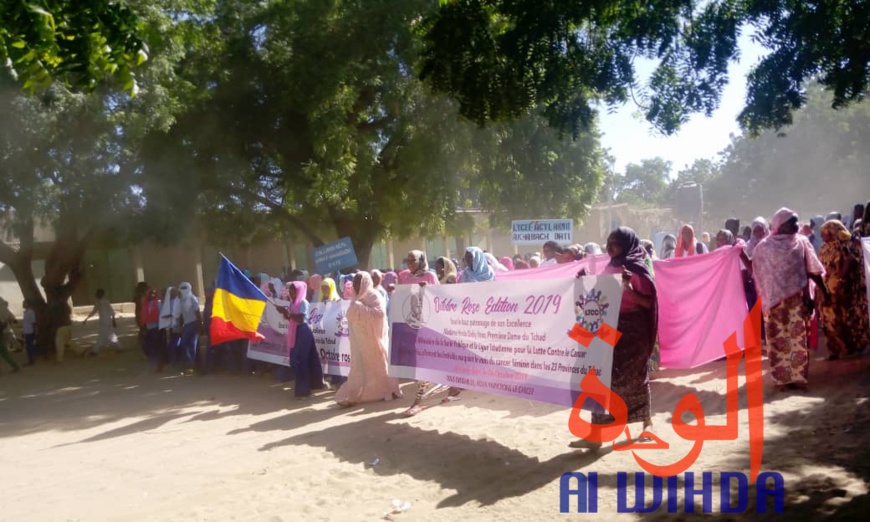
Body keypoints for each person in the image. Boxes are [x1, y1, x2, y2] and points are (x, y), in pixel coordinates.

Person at [570, 227, 657, 450]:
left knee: (636, 377)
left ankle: (647, 423)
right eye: (608, 243)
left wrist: (628, 287)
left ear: (626, 244)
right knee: (600, 377)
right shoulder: (611, 266)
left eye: (615, 243)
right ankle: (597, 434)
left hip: (633, 329)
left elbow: (648, 302)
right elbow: (602, 295)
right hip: (608, 326)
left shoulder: (637, 267)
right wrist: (586, 281)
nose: (610, 247)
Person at [751, 208, 829, 391]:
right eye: (791, 222)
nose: (796, 225)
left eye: (796, 221)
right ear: (780, 225)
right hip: (773, 302)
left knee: (797, 339)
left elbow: (812, 270)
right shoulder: (764, 247)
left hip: (797, 299)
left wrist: (822, 292)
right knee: (778, 340)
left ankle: (798, 375)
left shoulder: (802, 243)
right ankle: (782, 378)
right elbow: (757, 270)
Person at [334, 272, 402, 407]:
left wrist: (360, 307)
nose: (356, 285)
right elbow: (350, 315)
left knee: (377, 365)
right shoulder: (355, 296)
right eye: (355, 282)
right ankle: (355, 394)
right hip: (359, 339)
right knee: (359, 367)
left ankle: (386, 390)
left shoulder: (373, 295)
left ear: (365, 281)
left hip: (373, 338)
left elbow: (380, 314)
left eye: (359, 282)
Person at [818, 220, 870, 360]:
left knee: (846, 316)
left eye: (825, 232)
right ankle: (835, 349)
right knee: (829, 318)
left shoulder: (846, 245)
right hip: (827, 286)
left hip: (844, 287)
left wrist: (840, 279)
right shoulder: (824, 248)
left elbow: (853, 261)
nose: (822, 235)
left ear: (833, 231)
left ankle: (850, 348)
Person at [275, 281, 324, 398]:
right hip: (295, 331)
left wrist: (287, 313)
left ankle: (304, 391)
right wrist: (283, 312)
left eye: (294, 291)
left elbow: (301, 318)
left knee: (300, 361)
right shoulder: (292, 303)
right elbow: (290, 318)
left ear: (299, 291)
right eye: (290, 291)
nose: (291, 293)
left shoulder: (303, 302)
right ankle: (309, 385)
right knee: (295, 360)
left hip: (303, 332)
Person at [83, 289, 119, 357]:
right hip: (106, 321)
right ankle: (120, 347)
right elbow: (94, 312)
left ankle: (95, 351)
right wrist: (87, 319)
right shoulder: (101, 302)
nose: (96, 295)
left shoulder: (102, 302)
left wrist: (114, 320)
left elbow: (110, 311)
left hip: (104, 322)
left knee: (101, 337)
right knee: (111, 335)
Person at [176, 282, 202, 373]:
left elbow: (198, 313)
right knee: (187, 345)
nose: (183, 290)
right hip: (186, 325)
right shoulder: (181, 300)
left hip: (193, 324)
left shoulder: (193, 299)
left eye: (184, 288)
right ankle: (193, 364)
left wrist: (200, 326)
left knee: (190, 345)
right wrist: (180, 326)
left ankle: (191, 365)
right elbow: (181, 315)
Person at [50, 289, 78, 363]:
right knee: (68, 341)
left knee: (59, 343)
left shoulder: (54, 305)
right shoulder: (64, 303)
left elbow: (53, 316)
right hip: (67, 324)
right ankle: (81, 351)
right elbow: (69, 312)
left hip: (61, 325)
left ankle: (59, 359)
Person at [140, 288, 162, 367]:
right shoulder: (145, 303)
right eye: (150, 293)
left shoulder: (158, 303)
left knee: (155, 343)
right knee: (146, 343)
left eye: (154, 293)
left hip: (156, 326)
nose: (152, 295)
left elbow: (161, 314)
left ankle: (156, 359)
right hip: (148, 326)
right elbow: (143, 316)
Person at [22, 299, 37, 365]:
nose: (23, 304)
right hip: (26, 331)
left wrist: (34, 332)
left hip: (30, 332)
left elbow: (33, 323)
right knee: (28, 347)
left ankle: (31, 360)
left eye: (24, 303)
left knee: (30, 347)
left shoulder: (31, 312)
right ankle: (30, 359)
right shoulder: (26, 312)